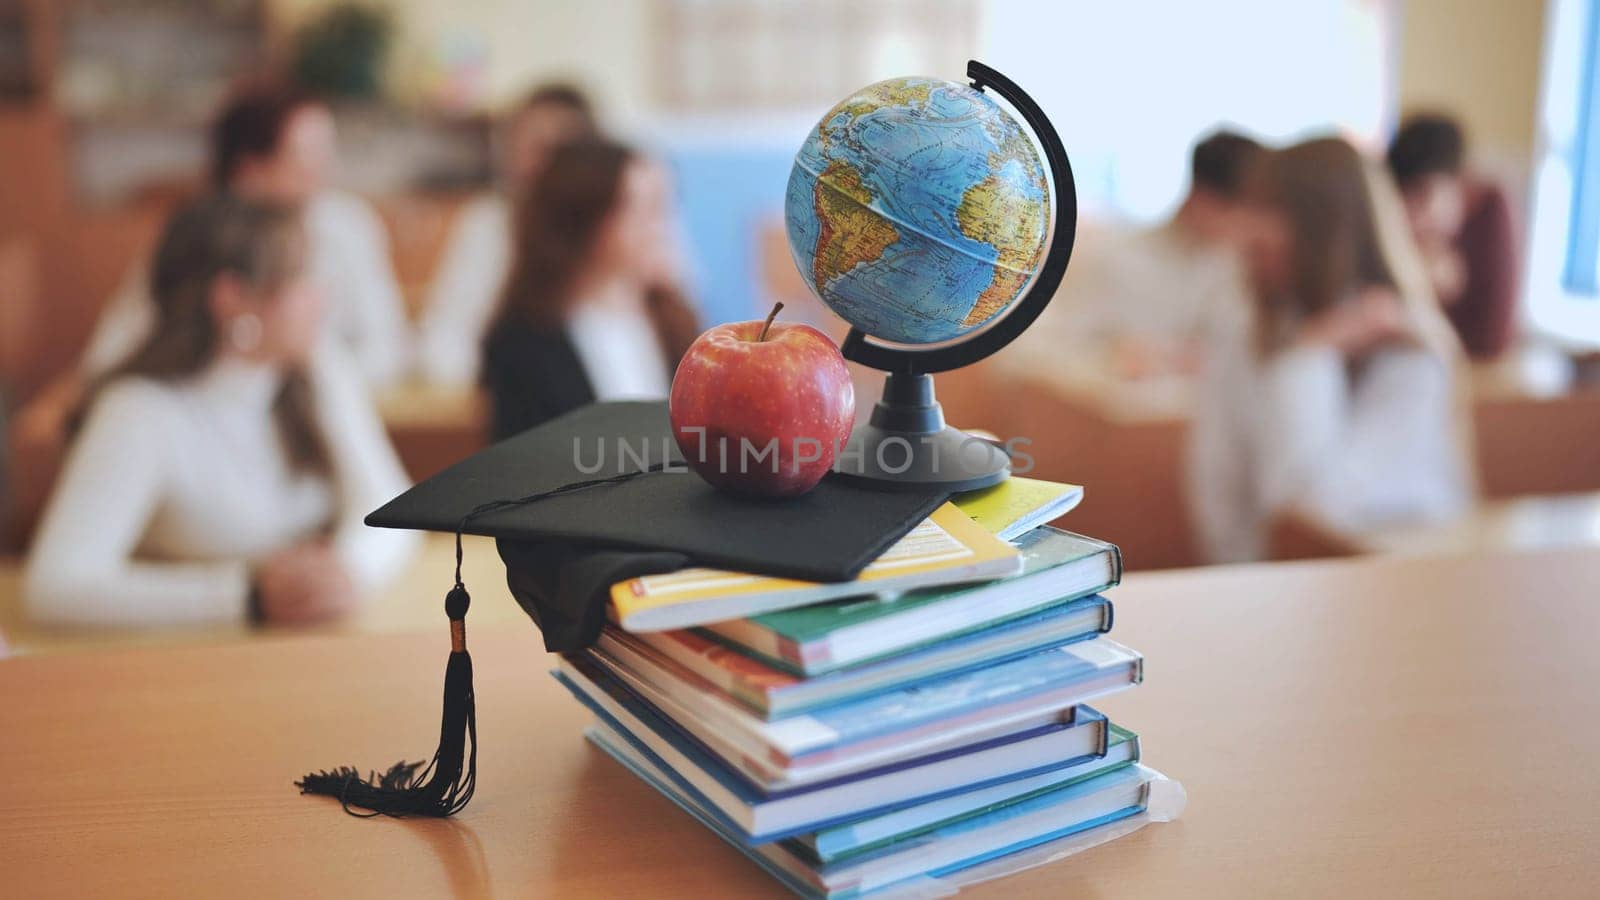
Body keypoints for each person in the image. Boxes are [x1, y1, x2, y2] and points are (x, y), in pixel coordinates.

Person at [24, 195, 418, 628]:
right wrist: (245, 597)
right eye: (301, 277)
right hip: (192, 662)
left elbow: (392, 505)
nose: (322, 295)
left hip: (317, 647)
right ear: (233, 297)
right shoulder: (139, 412)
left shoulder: (318, 369)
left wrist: (348, 572)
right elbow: (54, 589)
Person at [15, 81, 410, 446]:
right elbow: (112, 352)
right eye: (307, 156)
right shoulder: (195, 245)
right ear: (249, 170)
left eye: (329, 152)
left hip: (314, 426)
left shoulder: (345, 231)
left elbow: (388, 345)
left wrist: (306, 378)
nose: (327, 171)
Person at [1186, 137, 1474, 564]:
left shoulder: (1406, 344)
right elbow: (1216, 490)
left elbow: (1311, 510)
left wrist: (1308, 354)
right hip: (1265, 589)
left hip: (1390, 586)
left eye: (1271, 210)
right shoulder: (1246, 325)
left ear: (1327, 225)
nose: (1248, 230)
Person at [1004, 130, 1264, 384]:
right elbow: (1049, 352)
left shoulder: (1232, 269)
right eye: (1239, 212)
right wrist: (1111, 358)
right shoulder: (1116, 257)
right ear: (1203, 200)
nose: (1246, 227)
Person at [482, 138, 699, 440]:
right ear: (589, 219)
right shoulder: (525, 342)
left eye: (665, 208)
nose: (663, 229)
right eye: (648, 210)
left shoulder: (675, 323)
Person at [415, 84, 600, 385]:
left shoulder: (613, 230)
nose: (532, 164)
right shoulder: (486, 224)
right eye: (520, 147)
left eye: (550, 150)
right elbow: (441, 341)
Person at [1387, 113, 1519, 359]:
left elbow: (1491, 339)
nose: (1412, 216)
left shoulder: (1490, 207)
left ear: (1462, 184)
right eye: (1404, 199)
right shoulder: (1400, 230)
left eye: (1423, 195)